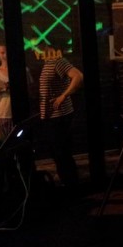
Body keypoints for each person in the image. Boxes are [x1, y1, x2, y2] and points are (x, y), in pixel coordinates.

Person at [38, 39, 84, 189]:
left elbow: (78, 76)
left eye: (42, 48)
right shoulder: (48, 63)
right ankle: (67, 182)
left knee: (61, 152)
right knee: (57, 152)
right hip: (51, 116)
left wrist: (63, 95)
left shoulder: (58, 61)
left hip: (60, 116)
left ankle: (71, 184)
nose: (39, 52)